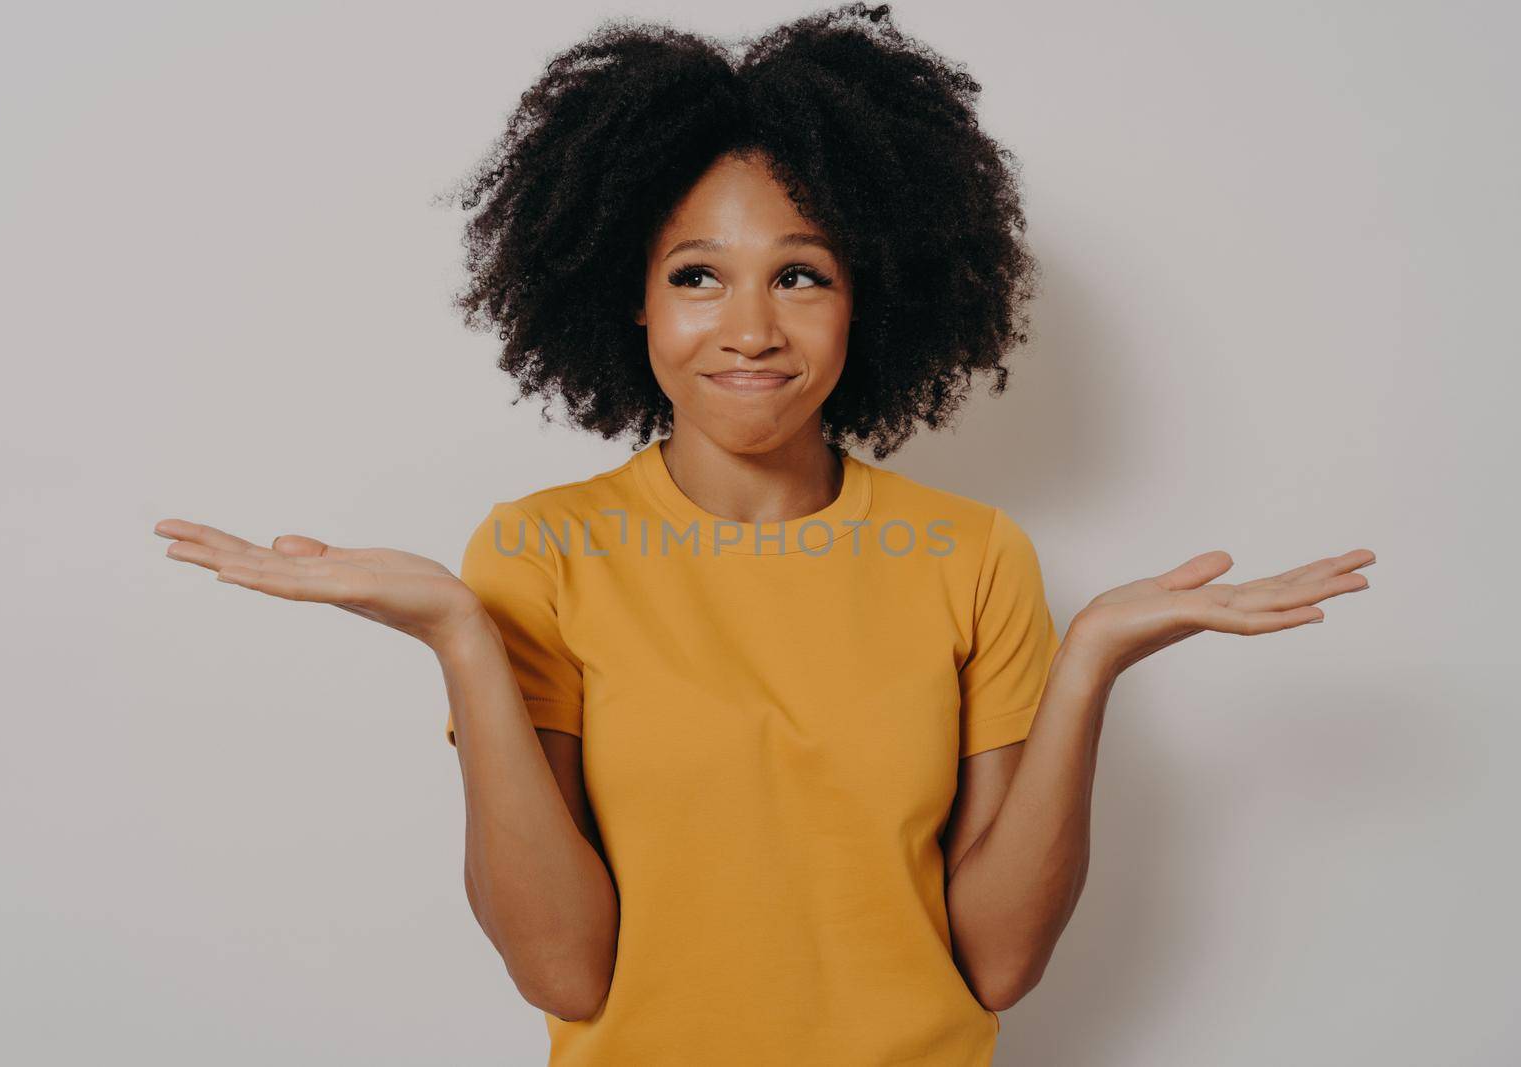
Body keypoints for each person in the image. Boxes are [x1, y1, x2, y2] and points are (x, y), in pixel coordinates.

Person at [153, 4, 1376, 1063]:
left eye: (800, 274)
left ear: (867, 297)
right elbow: (563, 975)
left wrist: (1092, 657)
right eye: (697, 275)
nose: (749, 328)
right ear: (628, 296)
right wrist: (460, 641)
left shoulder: (971, 554)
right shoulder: (538, 553)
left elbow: (998, 962)